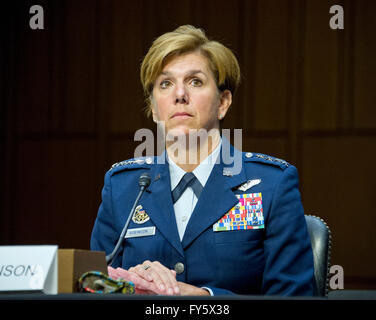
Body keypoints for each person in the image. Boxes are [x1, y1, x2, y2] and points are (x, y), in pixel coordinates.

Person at [90, 25, 314, 296]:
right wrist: (127, 286)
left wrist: (204, 298)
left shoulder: (272, 185)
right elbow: (93, 286)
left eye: (195, 81)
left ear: (223, 103)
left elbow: (295, 296)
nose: (180, 94)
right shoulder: (122, 188)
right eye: (165, 83)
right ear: (153, 107)